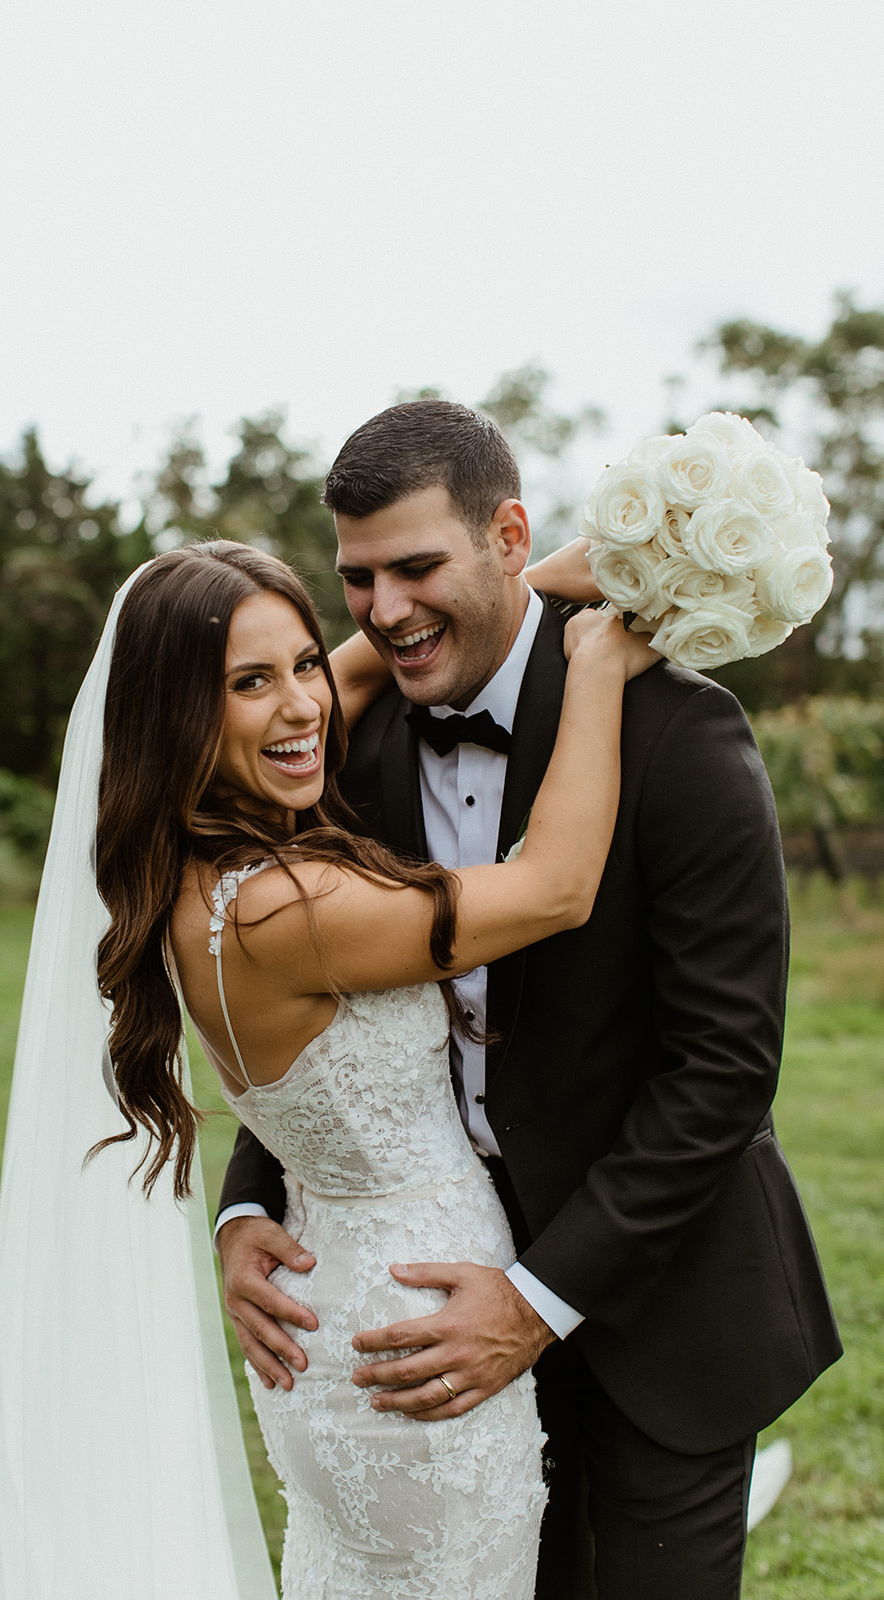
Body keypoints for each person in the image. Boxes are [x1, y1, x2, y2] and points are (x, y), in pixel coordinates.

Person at [216, 400, 843, 1600]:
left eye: (415, 566)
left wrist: (537, 1302)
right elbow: (303, 1007)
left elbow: (721, 1070)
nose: (384, 610)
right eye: (355, 579)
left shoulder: (676, 734)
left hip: (664, 1311)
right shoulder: (344, 755)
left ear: (509, 536)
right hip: (440, 1314)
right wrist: (244, 1208)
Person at [97, 540, 654, 1599]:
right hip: (413, 1358)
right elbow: (551, 889)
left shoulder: (197, 876)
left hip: (339, 1320)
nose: (303, 703)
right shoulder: (284, 910)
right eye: (248, 682)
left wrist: (516, 581)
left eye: (303, 661)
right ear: (176, 715)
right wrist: (595, 664)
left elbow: (339, 685)